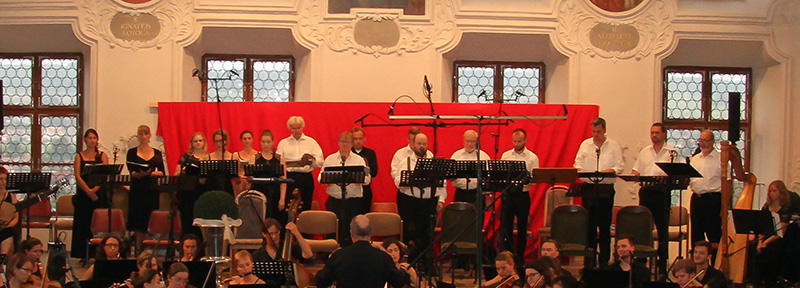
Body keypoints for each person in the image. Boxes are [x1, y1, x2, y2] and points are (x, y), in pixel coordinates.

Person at [573, 117, 623, 268]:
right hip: (588, 188)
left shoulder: (613, 145)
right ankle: (590, 261)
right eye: (593, 131)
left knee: (605, 226)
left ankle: (604, 261)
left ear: (605, 130)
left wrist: (608, 171)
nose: (595, 134)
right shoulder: (585, 145)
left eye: (599, 132)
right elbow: (577, 163)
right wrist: (581, 171)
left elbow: (619, 166)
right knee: (590, 226)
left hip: (605, 189)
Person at [631, 122, 679, 278]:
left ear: (664, 134)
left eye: (657, 133)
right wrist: (635, 175)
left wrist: (667, 177)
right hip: (646, 192)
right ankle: (642, 260)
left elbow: (677, 174)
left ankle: (662, 261)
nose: (654, 136)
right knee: (643, 227)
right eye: (652, 133)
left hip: (662, 193)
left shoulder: (672, 152)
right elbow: (635, 170)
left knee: (662, 227)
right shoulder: (645, 152)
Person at [391, 132, 446, 259]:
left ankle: (426, 263)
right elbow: (398, 181)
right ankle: (409, 261)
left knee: (427, 234)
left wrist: (441, 200)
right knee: (410, 233)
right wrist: (411, 179)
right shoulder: (406, 162)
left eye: (424, 144)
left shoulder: (433, 160)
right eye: (419, 143)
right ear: (413, 145)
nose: (422, 146)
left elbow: (442, 183)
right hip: (410, 201)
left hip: (428, 202)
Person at [315, 215, 408, 288]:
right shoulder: (383, 257)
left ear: (351, 233)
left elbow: (321, 281)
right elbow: (398, 282)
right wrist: (403, 270)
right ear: (371, 233)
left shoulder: (338, 255)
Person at [320, 131, 371, 246]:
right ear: (338, 143)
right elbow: (320, 178)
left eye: (347, 142)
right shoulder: (330, 159)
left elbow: (367, 180)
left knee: (351, 229)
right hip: (335, 200)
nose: (344, 145)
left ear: (352, 144)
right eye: (342, 142)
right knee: (333, 229)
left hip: (353, 201)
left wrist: (356, 177)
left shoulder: (359, 160)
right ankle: (331, 252)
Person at [499, 128, 539, 265]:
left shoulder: (532, 157)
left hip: (523, 195)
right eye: (515, 141)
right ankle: (508, 257)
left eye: (519, 141)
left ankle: (520, 258)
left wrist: (527, 179)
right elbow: (501, 175)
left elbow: (535, 179)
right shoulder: (506, 155)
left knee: (522, 228)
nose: (516, 144)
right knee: (506, 227)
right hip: (508, 194)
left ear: (525, 141)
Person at [751, 180, 800, 287]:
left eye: (774, 191)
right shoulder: (766, 207)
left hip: (779, 237)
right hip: (767, 235)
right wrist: (760, 242)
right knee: (753, 247)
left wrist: (766, 242)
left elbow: (781, 231)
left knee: (769, 249)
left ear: (781, 192)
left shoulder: (785, 208)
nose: (771, 193)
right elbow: (762, 228)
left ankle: (770, 280)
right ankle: (756, 281)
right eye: (770, 191)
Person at [126, 125, 166, 251]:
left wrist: (152, 173)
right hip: (137, 190)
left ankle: (149, 250)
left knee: (150, 220)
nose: (143, 136)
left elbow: (162, 172)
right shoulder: (132, 152)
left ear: (149, 135)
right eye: (140, 134)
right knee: (138, 222)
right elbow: (132, 172)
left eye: (145, 134)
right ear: (137, 136)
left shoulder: (157, 153)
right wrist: (142, 173)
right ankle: (138, 249)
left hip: (152, 190)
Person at [72, 128, 110, 259]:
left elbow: (105, 175)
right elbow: (77, 176)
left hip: (99, 193)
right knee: (84, 223)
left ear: (97, 140)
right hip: (84, 194)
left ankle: (98, 254)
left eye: (94, 138)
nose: (92, 140)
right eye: (89, 138)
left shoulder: (102, 155)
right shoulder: (79, 156)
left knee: (99, 223)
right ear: (85, 140)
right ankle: (83, 254)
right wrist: (88, 190)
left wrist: (95, 190)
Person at [276, 116, 324, 213]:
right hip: (289, 176)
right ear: (289, 128)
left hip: (305, 176)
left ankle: (304, 226)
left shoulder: (311, 142)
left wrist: (311, 162)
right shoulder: (283, 143)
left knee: (306, 204)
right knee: (285, 204)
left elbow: (320, 161)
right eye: (294, 128)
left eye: (298, 128)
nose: (296, 130)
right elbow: (278, 161)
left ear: (302, 127)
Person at [176, 132, 208, 238]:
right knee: (187, 219)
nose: (198, 143)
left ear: (204, 142)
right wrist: (184, 171)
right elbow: (176, 173)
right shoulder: (185, 157)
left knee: (200, 219)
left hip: (201, 191)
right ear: (191, 143)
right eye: (195, 141)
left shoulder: (208, 157)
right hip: (187, 192)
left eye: (200, 140)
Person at [251, 130, 288, 222]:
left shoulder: (280, 159)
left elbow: (283, 181)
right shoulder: (254, 158)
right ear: (260, 142)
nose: (265, 144)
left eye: (268, 142)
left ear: (273, 142)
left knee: (275, 219)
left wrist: (282, 199)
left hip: (275, 193)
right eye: (263, 142)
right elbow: (250, 180)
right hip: (259, 192)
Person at [449, 130, 491, 205]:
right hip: (460, 193)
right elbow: (450, 176)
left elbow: (489, 177)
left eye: (472, 141)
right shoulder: (456, 155)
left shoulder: (483, 156)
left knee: (478, 216)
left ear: (477, 142)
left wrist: (489, 195)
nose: (469, 144)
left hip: (477, 193)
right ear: (463, 141)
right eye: (467, 141)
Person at [351, 126, 378, 215]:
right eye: (355, 139)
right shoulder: (348, 153)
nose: (358, 141)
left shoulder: (370, 153)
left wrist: (364, 171)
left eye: (360, 138)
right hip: (351, 190)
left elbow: (374, 172)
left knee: (365, 215)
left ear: (364, 139)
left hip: (366, 190)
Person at [206, 129, 235, 195]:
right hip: (211, 190)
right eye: (216, 141)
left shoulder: (232, 157)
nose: (218, 144)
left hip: (227, 190)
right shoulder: (208, 157)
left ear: (226, 141)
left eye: (220, 141)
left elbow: (236, 180)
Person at [0, 167, 19, 257]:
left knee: (8, 232)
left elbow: (16, 218)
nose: (3, 182)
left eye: (5, 179)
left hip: (6, 227)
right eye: (0, 179)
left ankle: (2, 259)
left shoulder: (11, 196)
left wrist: (7, 225)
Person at [233, 130, 258, 195]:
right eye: (245, 139)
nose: (247, 140)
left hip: (253, 183)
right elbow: (235, 172)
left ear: (252, 139)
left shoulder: (258, 154)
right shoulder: (236, 155)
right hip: (240, 183)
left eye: (249, 138)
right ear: (241, 140)